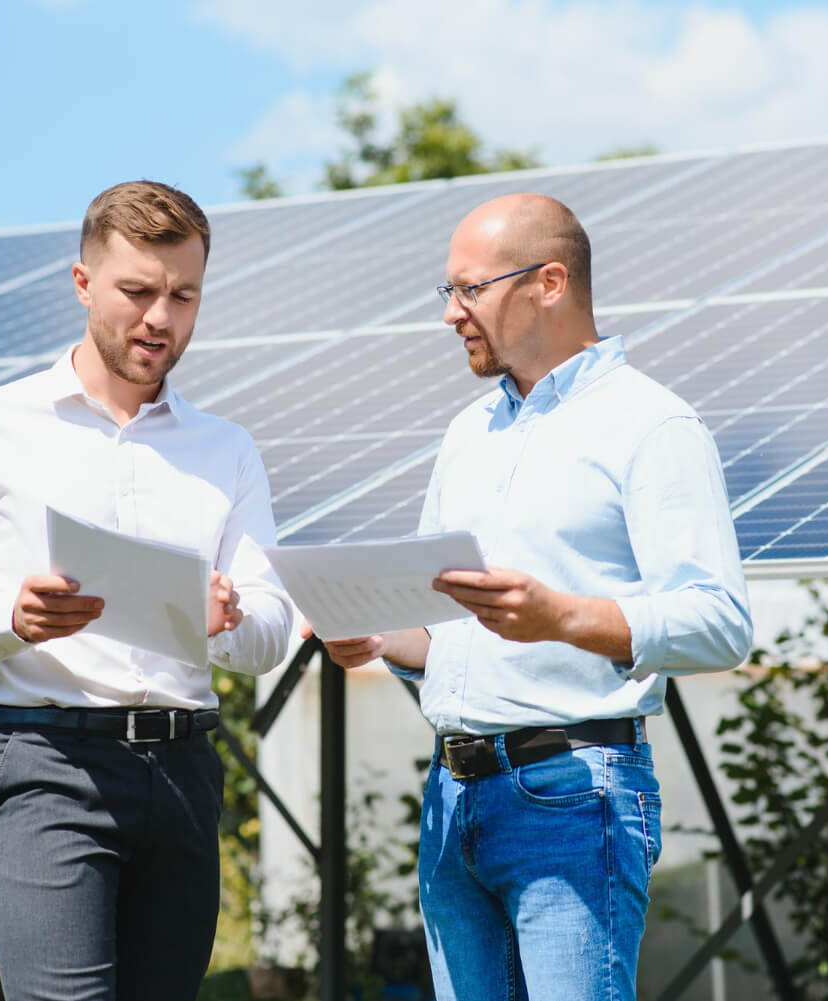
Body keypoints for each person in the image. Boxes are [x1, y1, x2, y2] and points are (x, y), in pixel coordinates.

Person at [311, 193, 753, 1001]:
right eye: (446, 291)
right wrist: (372, 637)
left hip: (571, 795)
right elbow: (444, 630)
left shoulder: (651, 425)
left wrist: (562, 616)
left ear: (549, 282)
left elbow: (720, 623)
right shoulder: (468, 433)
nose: (450, 314)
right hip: (452, 797)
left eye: (468, 289)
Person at [0, 180, 293, 1001]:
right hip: (48, 763)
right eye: (137, 291)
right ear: (82, 284)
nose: (160, 317)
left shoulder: (229, 449)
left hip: (185, 769)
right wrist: (13, 618)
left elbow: (271, 632)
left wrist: (227, 618)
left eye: (183, 296)